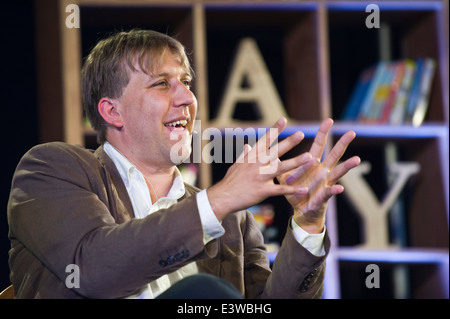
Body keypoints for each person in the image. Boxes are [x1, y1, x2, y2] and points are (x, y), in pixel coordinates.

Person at [7, 29, 360, 299]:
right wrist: (216, 201)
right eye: (162, 84)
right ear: (112, 111)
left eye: (186, 83)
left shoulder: (232, 220)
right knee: (203, 293)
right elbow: (90, 269)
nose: (188, 98)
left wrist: (308, 225)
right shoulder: (51, 168)